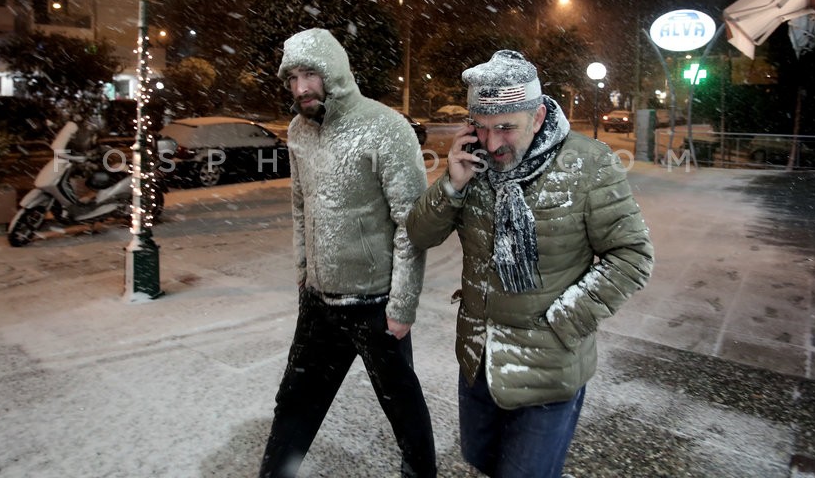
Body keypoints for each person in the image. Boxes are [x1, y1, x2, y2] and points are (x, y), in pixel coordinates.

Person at [406, 50, 654, 478]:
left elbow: (632, 256)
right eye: (481, 128)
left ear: (538, 117)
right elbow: (419, 234)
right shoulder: (474, 166)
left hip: (548, 371)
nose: (493, 142)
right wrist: (452, 184)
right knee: (483, 462)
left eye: (506, 127)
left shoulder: (589, 164)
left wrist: (561, 322)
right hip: (478, 361)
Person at [259, 28, 436, 478]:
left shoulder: (386, 128)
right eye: (293, 77)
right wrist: (303, 270)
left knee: (404, 413)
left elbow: (410, 226)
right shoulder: (298, 130)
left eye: (310, 75)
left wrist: (402, 305)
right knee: (295, 404)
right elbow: (300, 206)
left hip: (375, 306)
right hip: (319, 301)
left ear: (334, 73)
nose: (301, 88)